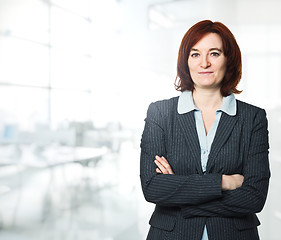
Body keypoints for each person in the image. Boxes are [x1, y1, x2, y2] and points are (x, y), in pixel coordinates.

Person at [140, 20, 270, 240]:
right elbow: (153, 187)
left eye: (215, 53)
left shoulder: (252, 118)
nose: (204, 63)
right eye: (195, 54)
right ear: (186, 61)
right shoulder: (160, 113)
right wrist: (224, 182)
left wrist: (181, 196)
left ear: (229, 59)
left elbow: (254, 197)